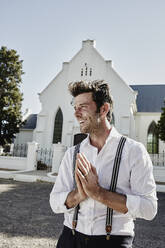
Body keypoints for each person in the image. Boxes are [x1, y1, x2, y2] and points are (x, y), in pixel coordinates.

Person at [50, 80, 157, 248]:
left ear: (104, 109)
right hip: (70, 238)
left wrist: (99, 193)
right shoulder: (72, 153)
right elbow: (55, 202)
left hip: (113, 242)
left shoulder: (134, 151)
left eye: (83, 107)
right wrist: (80, 194)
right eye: (75, 107)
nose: (76, 114)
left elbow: (149, 208)